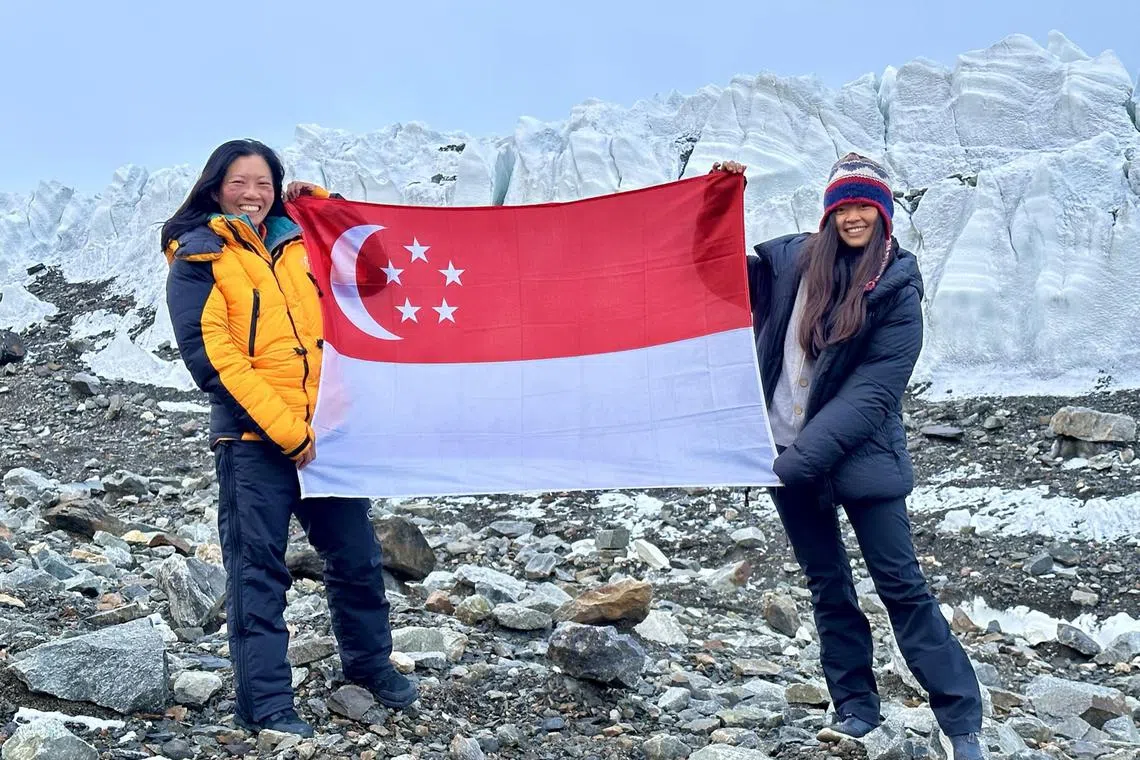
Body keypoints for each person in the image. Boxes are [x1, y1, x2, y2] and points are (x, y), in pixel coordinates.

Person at [712, 155, 985, 759]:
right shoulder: (787, 262)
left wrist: (794, 463)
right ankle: (856, 707)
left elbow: (870, 395)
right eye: (844, 205)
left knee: (900, 585)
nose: (854, 215)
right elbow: (715, 276)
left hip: (861, 461)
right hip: (784, 453)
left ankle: (961, 722)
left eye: (866, 205)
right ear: (829, 210)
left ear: (883, 215)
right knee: (828, 585)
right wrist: (715, 201)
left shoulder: (896, 288)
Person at [162, 139, 417, 737]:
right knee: (259, 572)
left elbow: (377, 279)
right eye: (238, 183)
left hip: (326, 436)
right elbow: (212, 357)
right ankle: (268, 704)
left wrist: (326, 208)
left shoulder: (305, 241)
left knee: (356, 558)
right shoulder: (199, 256)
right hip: (254, 441)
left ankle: (370, 665)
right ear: (214, 187)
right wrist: (285, 430)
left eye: (263, 184)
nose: (252, 195)